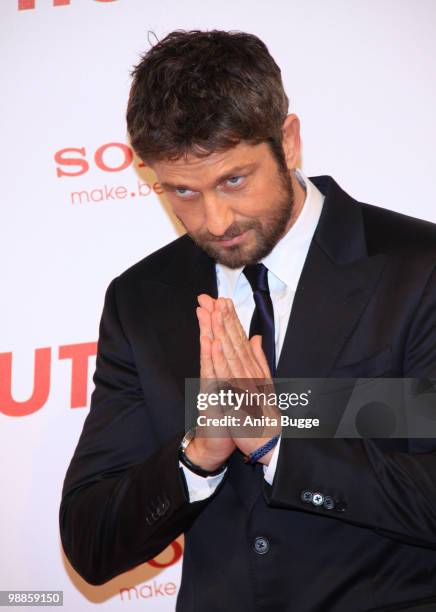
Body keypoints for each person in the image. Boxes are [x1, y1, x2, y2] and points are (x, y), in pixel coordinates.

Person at [59, 30, 436, 612]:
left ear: (288, 142)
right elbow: (91, 542)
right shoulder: (141, 301)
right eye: (181, 190)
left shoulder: (419, 269)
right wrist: (197, 454)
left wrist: (276, 439)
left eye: (233, 179)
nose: (214, 221)